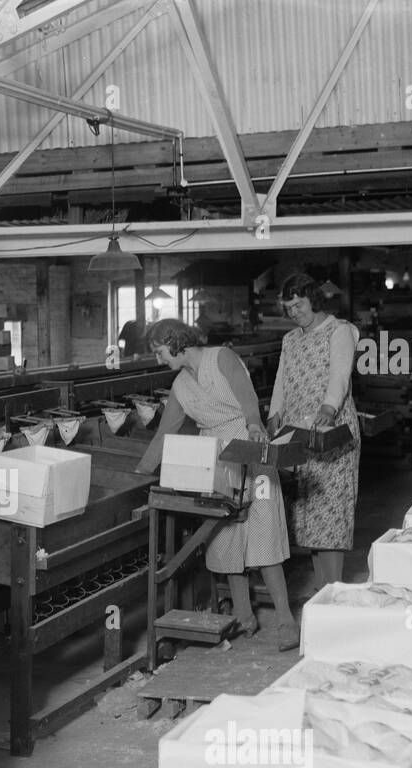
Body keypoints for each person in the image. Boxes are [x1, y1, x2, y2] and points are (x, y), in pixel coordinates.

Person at [136, 319, 299, 651]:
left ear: (175, 342)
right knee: (224, 536)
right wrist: (141, 473)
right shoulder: (181, 385)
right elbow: (165, 431)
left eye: (159, 351)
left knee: (263, 535)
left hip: (249, 448)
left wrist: (255, 427)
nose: (158, 359)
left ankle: (286, 621)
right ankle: (244, 616)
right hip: (214, 460)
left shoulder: (221, 358)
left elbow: (247, 398)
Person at [266, 273, 361, 592]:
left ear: (314, 300)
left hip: (330, 432)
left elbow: (339, 377)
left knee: (330, 513)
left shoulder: (340, 330)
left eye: (299, 304)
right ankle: (323, 590)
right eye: (288, 307)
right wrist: (273, 415)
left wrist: (328, 409)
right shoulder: (290, 339)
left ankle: (332, 591)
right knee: (306, 516)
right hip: (297, 433)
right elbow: (281, 380)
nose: (295, 312)